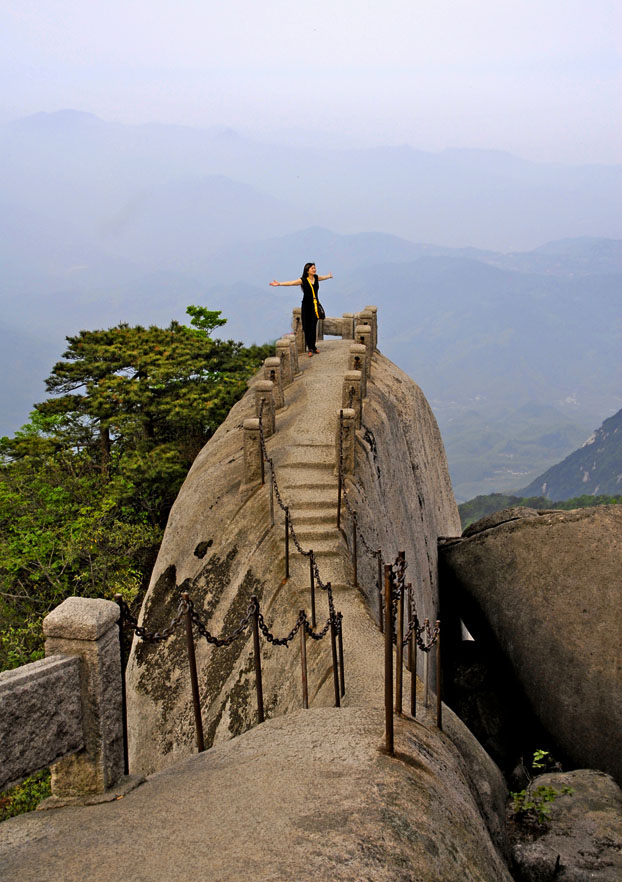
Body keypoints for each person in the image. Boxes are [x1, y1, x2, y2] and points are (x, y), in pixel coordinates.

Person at [270, 263, 333, 356]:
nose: (314, 270)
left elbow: (322, 278)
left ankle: (313, 346)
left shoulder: (316, 278)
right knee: (307, 327)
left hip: (315, 305)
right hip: (306, 306)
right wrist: (279, 284)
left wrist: (329, 276)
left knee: (313, 326)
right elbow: (291, 283)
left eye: (315, 268)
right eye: (312, 268)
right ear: (307, 270)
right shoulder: (303, 280)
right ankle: (310, 348)